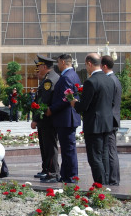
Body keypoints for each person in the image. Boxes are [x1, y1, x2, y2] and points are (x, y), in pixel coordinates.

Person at [71, 53, 115, 185]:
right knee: (104, 155)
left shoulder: (91, 82)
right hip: (107, 123)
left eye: (86, 65)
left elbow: (83, 106)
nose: (86, 68)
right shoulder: (110, 79)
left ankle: (99, 185)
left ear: (89, 64)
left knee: (95, 157)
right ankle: (106, 184)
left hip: (94, 125)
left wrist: (74, 103)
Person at [46, 54, 81, 183]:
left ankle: (71, 176)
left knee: (68, 150)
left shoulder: (66, 77)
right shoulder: (73, 75)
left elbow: (66, 99)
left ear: (62, 62)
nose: (57, 65)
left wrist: (51, 109)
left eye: (58, 62)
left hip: (66, 118)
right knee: (67, 149)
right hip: (67, 118)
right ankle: (66, 175)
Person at [31, 55, 60, 183]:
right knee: (45, 146)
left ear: (44, 67)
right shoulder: (49, 78)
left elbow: (43, 102)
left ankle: (53, 172)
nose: (37, 70)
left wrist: (35, 119)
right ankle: (47, 170)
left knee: (50, 147)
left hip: (48, 120)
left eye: (39, 67)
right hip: (46, 120)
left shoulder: (49, 81)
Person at [101, 55, 122, 186]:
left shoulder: (110, 81)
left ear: (104, 66)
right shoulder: (115, 79)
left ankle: (113, 179)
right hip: (112, 119)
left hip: (110, 120)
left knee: (110, 151)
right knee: (110, 150)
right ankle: (112, 178)